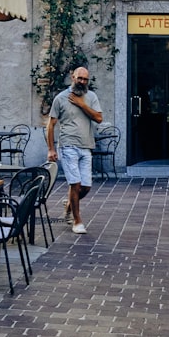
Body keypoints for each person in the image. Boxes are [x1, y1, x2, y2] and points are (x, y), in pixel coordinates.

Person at [46, 67, 103, 234]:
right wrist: (51, 149)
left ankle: (69, 204)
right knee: (75, 184)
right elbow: (50, 125)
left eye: (85, 79)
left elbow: (99, 118)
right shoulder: (61, 98)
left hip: (86, 146)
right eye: (80, 78)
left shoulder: (91, 97)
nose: (82, 82)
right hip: (68, 146)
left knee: (85, 187)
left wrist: (81, 104)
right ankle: (77, 221)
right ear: (73, 77)